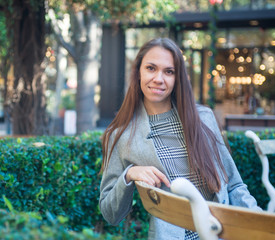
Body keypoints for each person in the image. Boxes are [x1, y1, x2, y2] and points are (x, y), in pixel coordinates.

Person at [99, 38, 261, 240]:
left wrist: (262, 225)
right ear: (138, 72)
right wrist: (129, 174)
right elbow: (109, 213)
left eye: (169, 71)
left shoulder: (204, 119)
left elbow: (235, 185)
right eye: (151, 68)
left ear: (177, 78)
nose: (159, 78)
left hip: (221, 234)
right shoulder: (122, 134)